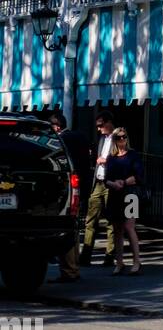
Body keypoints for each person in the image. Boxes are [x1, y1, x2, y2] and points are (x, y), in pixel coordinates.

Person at [48, 111, 90, 284]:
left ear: (56, 127)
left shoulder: (61, 140)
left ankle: (69, 269)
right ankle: (73, 267)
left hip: (66, 190)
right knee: (74, 228)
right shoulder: (80, 137)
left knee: (64, 229)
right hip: (81, 188)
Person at [104, 128, 145, 275]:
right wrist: (113, 183)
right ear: (114, 140)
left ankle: (136, 262)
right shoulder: (111, 158)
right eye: (119, 138)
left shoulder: (133, 155)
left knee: (129, 226)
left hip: (131, 194)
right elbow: (106, 179)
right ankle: (119, 262)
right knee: (117, 230)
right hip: (115, 195)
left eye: (124, 137)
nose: (122, 140)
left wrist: (125, 182)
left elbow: (139, 175)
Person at [80, 110, 116, 267]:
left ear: (108, 123)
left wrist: (105, 160)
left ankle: (109, 255)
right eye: (97, 126)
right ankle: (85, 255)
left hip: (111, 182)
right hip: (98, 181)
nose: (99, 129)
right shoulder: (101, 139)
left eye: (101, 125)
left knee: (111, 220)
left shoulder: (119, 137)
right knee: (91, 220)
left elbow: (124, 157)